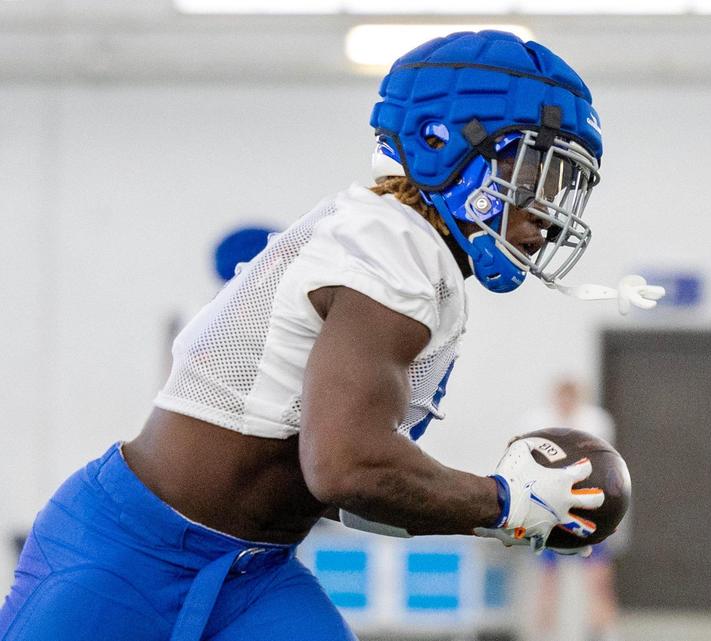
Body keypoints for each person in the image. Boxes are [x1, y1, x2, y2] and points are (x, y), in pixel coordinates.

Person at [0, 30, 616, 640]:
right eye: (535, 170)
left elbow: (344, 489)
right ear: (440, 141)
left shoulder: (414, 257)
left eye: (563, 184)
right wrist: (502, 502)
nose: (548, 208)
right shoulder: (392, 244)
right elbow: (346, 468)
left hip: (252, 574)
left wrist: (492, 508)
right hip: (130, 553)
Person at [520, 377, 622, 641]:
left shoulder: (595, 423)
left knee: (598, 577)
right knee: (547, 577)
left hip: (587, 510)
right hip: (552, 511)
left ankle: (602, 630)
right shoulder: (538, 423)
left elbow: (604, 467)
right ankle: (542, 632)